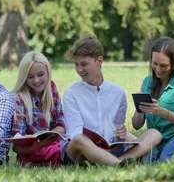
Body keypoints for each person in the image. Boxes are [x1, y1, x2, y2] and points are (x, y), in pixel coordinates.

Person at [63, 35, 161, 166]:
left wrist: (120, 135)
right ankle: (118, 163)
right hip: (81, 152)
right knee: (79, 139)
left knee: (154, 133)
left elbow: (116, 133)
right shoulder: (71, 93)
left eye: (84, 64)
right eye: (76, 64)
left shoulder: (118, 93)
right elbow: (75, 132)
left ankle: (119, 161)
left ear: (99, 61)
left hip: (112, 149)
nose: (79, 69)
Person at [9, 51, 68, 166]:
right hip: (32, 151)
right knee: (75, 148)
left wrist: (49, 137)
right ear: (24, 78)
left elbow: (62, 124)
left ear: (48, 73)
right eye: (30, 77)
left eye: (41, 75)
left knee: (77, 143)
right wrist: (37, 145)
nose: (36, 80)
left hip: (54, 144)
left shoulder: (51, 87)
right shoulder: (20, 98)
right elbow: (17, 145)